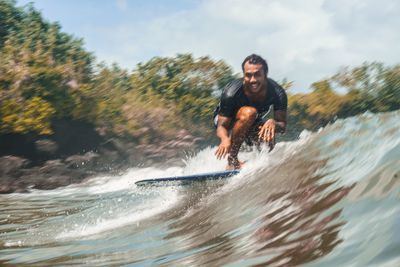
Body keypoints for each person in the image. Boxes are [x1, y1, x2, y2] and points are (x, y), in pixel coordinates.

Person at [214, 54, 287, 169]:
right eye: (248, 75)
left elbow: (282, 126)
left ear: (265, 74)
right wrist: (224, 139)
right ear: (243, 75)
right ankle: (232, 161)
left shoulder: (277, 93)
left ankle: (257, 166)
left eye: (257, 75)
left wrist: (273, 123)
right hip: (227, 120)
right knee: (249, 112)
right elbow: (221, 126)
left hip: (252, 121)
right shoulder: (231, 92)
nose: (253, 80)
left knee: (268, 140)